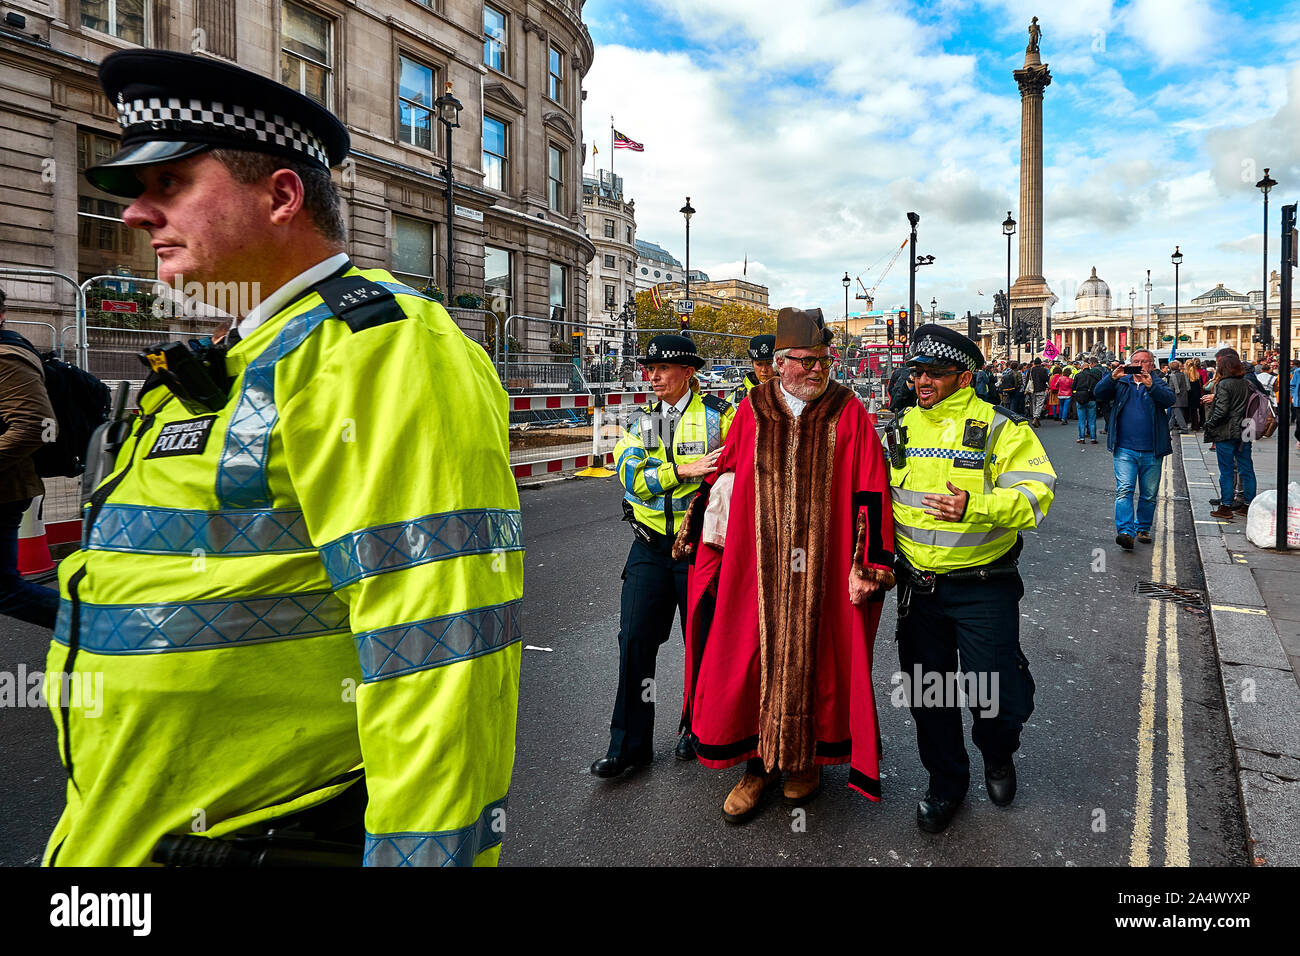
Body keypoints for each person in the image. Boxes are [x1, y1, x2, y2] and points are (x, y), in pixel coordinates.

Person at [44, 50, 523, 867]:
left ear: (281, 195)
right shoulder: (236, 352)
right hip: (118, 834)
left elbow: (438, 651)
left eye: (170, 185)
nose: (135, 214)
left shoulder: (381, 349)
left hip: (258, 838)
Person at [676, 308, 895, 823]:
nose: (819, 370)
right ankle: (757, 767)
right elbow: (728, 468)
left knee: (820, 659)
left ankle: (806, 762)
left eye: (825, 360)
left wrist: (867, 562)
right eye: (808, 361)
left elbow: (870, 490)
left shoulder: (849, 412)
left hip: (824, 567)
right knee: (750, 656)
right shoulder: (752, 409)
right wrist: (700, 519)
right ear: (779, 363)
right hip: (758, 568)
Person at [887, 325, 1055, 833]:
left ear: (964, 376)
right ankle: (946, 785)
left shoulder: (1004, 428)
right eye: (916, 372)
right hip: (919, 589)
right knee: (929, 695)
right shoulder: (899, 427)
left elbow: (1037, 494)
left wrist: (975, 507)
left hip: (984, 585)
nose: (922, 381)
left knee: (996, 696)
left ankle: (998, 752)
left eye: (934, 373)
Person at [594, 334, 734, 776]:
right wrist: (682, 471)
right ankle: (630, 745)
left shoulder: (718, 417)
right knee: (635, 642)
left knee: (705, 643)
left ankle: (696, 729)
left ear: (688, 373)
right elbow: (630, 475)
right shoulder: (646, 419)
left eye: (662, 369)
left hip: (699, 553)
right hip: (650, 548)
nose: (651, 376)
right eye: (648, 368)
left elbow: (735, 474)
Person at [0, 288, 61, 627]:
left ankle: (107, 628)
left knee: (5, 591)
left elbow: (35, 426)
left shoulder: (6, 358)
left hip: (5, 490)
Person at [1093, 349, 1175, 551]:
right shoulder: (1121, 382)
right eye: (1135, 361)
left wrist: (1151, 385)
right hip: (1124, 448)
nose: (1139, 365)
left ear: (1152, 365)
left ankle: (1143, 528)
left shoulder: (1159, 383)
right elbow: (1098, 393)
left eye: (1143, 361)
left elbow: (1169, 400)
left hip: (1152, 449)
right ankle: (1125, 532)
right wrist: (1111, 378)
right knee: (1124, 490)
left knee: (1148, 494)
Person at [1203, 350, 1256, 520]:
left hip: (1226, 432)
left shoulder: (1224, 384)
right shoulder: (1245, 383)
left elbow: (1222, 410)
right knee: (1246, 468)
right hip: (1244, 430)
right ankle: (1248, 505)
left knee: (1226, 470)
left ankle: (1225, 506)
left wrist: (1210, 423)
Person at [730, 333, 775, 405]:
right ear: (752, 363)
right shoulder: (739, 395)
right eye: (759, 364)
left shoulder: (790, 392)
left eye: (769, 363)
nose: (764, 370)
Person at [1071, 357, 1102, 444]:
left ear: (1082, 368)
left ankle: (1081, 438)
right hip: (1091, 398)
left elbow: (1073, 387)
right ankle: (1093, 438)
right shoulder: (1094, 376)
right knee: (1092, 420)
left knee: (1081, 420)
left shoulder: (1078, 375)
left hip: (1080, 398)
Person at [1167, 360, 1191, 433]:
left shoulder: (1172, 376)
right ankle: (1168, 427)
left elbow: (1171, 388)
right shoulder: (1183, 374)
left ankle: (1184, 429)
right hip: (1183, 396)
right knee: (1174, 414)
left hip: (1175, 398)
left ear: (1170, 368)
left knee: (1178, 415)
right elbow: (1188, 387)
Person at [1025, 357, 1050, 427]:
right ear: (1040, 363)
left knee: (1034, 404)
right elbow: (1046, 379)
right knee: (1039, 404)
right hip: (1041, 388)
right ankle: (1036, 417)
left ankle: (1035, 417)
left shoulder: (1030, 370)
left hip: (1032, 389)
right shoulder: (1043, 370)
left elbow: (1027, 380)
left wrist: (1026, 389)